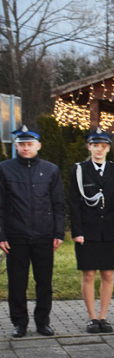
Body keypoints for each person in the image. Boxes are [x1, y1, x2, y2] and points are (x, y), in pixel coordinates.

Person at [0, 126, 66, 338]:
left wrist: (58, 232)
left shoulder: (50, 170)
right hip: (15, 236)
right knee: (17, 283)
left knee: (44, 282)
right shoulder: (5, 169)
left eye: (29, 144)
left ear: (38, 145)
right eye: (21, 144)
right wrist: (1, 235)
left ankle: (43, 322)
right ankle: (20, 323)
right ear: (16, 146)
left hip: (44, 236)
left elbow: (58, 204)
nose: (25, 148)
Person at [69, 129, 114, 333]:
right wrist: (76, 231)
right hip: (87, 229)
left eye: (103, 146)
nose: (99, 150)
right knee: (88, 274)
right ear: (89, 147)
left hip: (110, 229)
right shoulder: (79, 170)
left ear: (108, 148)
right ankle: (92, 317)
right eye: (95, 146)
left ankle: (104, 316)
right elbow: (74, 203)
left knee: (108, 274)